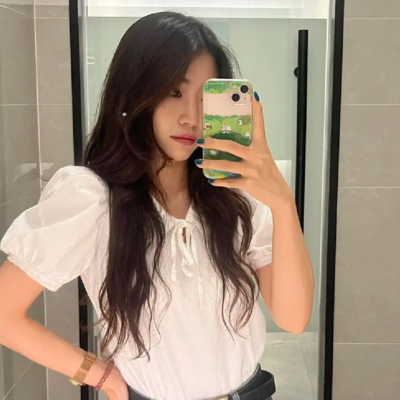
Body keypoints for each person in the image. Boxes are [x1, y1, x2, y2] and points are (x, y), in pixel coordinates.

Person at [0, 11, 314, 400]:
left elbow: (294, 319)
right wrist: (100, 376)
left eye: (205, 98)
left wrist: (282, 201)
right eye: (174, 92)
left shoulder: (237, 196)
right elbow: (4, 312)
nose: (191, 117)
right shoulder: (92, 199)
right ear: (135, 93)